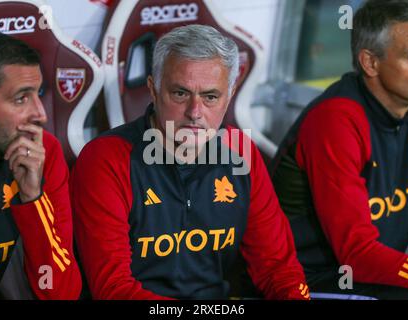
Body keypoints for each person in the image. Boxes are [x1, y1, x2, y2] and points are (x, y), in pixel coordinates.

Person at [71, 24, 309, 300]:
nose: (195, 112)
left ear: (228, 96)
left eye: (210, 97)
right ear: (153, 89)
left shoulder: (240, 150)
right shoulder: (105, 159)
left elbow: (278, 269)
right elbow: (113, 290)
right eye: (180, 93)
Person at [270, 0, 408, 299]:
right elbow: (358, 255)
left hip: (369, 276)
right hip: (312, 281)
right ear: (370, 63)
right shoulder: (336, 120)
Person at [0, 30, 82, 299]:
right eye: (21, 98)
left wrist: (33, 199)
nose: (41, 114)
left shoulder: (43, 152)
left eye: (38, 94)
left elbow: (60, 293)